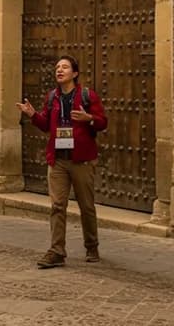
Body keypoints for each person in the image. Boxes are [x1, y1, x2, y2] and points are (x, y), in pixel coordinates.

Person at [17, 55, 108, 269]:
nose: (59, 70)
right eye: (57, 67)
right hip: (58, 159)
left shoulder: (87, 96)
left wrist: (90, 119)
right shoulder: (52, 97)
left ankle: (91, 245)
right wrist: (32, 114)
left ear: (74, 74)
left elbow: (102, 123)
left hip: (82, 160)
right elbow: (46, 125)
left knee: (86, 206)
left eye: (64, 67)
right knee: (57, 205)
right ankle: (57, 251)